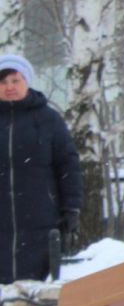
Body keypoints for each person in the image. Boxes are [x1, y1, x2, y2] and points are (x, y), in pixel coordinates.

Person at [0, 54, 80, 286]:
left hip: (39, 219)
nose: (10, 87)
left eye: (15, 81)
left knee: (35, 288)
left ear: (27, 81)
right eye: (3, 82)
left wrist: (71, 207)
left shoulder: (48, 119)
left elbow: (68, 164)